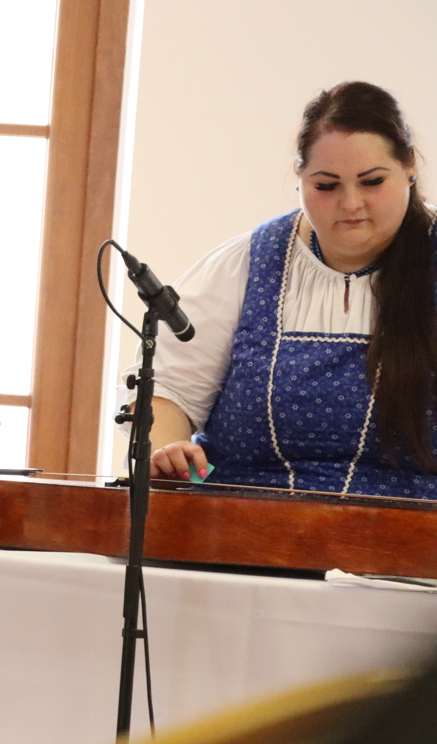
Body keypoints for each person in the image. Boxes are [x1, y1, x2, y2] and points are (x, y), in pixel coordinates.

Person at [143, 81, 437, 498]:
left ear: (409, 167)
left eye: (372, 182)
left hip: (413, 531)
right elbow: (168, 390)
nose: (351, 204)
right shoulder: (248, 263)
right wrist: (168, 450)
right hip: (244, 524)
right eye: (326, 186)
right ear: (299, 178)